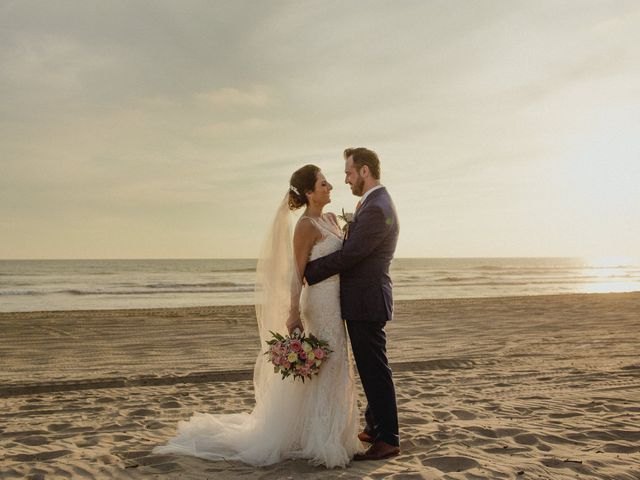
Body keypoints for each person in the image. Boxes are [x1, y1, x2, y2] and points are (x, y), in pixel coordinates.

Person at [152, 164, 363, 468]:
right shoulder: (305, 226)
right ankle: (322, 439)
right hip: (317, 302)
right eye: (323, 183)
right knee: (328, 365)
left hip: (335, 302)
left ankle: (333, 433)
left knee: (339, 363)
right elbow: (296, 272)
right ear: (308, 192)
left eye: (328, 182)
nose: (330, 186)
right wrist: (293, 311)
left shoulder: (329, 219)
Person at [305, 147, 401, 461]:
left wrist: (313, 271)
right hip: (364, 299)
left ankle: (387, 438)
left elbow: (352, 254)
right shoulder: (371, 203)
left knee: (374, 369)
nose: (345, 179)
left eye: (348, 172)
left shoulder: (377, 207)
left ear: (363, 171)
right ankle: (375, 428)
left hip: (366, 299)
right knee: (370, 366)